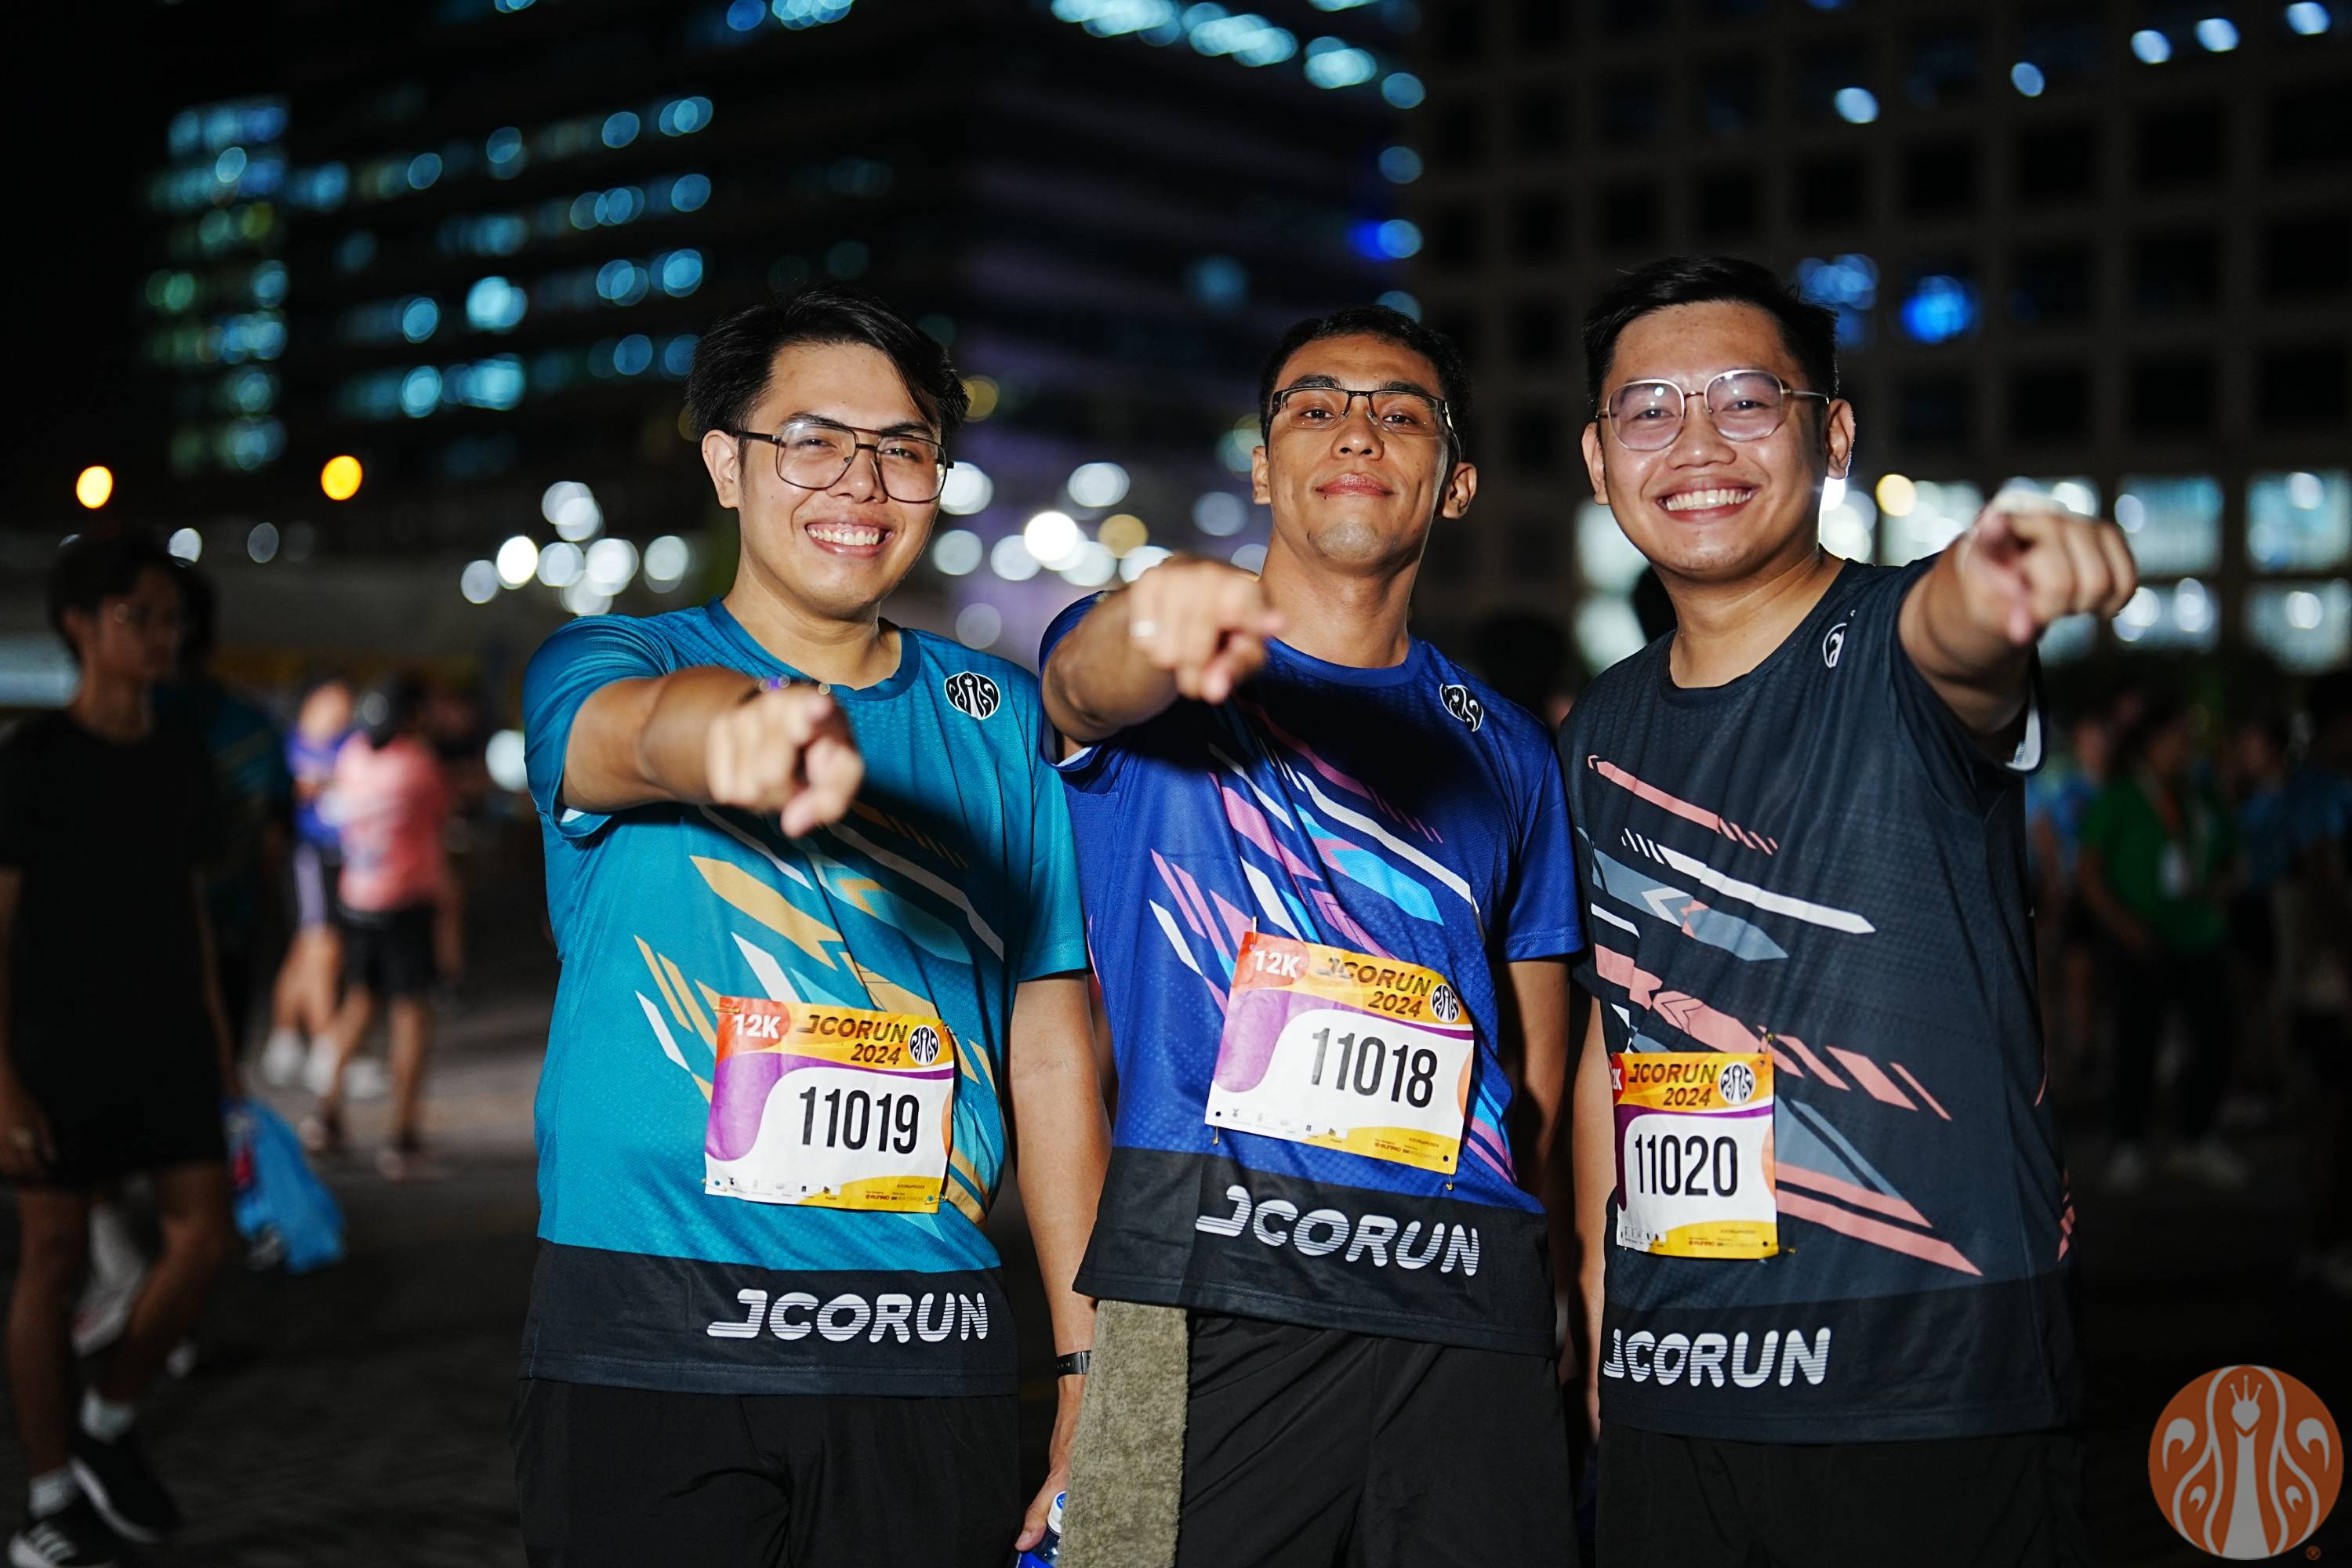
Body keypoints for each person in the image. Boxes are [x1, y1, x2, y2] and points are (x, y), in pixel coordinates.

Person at [510, 283, 1107, 1567]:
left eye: (901, 449)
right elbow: (625, 738)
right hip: (646, 1338)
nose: (862, 484)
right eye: (812, 442)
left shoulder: (1001, 717)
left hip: (923, 1351)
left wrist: (1085, 1368)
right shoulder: (611, 660)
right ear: (728, 465)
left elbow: (1055, 1052)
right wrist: (731, 732)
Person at [1559, 256, 2133, 1567]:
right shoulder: (1602, 725)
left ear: (1834, 435)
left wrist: (1996, 581)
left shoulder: (1888, 644)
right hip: (1675, 1381)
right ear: (1598, 460)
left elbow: (1958, 635)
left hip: (1926, 1374)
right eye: (1649, 411)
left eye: (1746, 402)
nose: (1696, 445)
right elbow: (1614, 1036)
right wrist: (1600, 1313)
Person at [1040, 303, 1583, 1566]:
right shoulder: (1154, 672)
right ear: (1262, 465)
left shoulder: (1508, 746)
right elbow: (1081, 682)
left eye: (1401, 413)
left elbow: (1541, 1065)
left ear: (1456, 485)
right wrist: (1152, 620)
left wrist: (1549, 1287)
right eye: (1315, 406)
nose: (1356, 431)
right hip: (1212, 1286)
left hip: (1466, 1306)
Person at [1, 535, 238, 1567]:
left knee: (206, 1238)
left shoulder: (180, 755)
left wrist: (221, 1046)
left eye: (170, 618)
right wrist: (1, 1079)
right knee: (51, 1259)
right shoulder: (32, 761)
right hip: (56, 1048)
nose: (161, 635)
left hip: (167, 1038)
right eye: (139, 616)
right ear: (81, 625)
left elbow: (190, 912)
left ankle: (108, 1419)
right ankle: (49, 1496)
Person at [2078, 691, 2246, 1193]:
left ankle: (2196, 1136)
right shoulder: (2121, 796)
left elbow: (2233, 857)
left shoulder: (2202, 794)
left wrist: (2221, 887)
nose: (2185, 748)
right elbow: (2089, 871)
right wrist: (2122, 925)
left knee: (2216, 1036)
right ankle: (2129, 1142)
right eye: (2176, 737)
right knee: (2136, 1042)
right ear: (2149, 743)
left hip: (2200, 935)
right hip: (2140, 940)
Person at [302, 673, 452, 1181]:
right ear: (410, 717)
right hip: (406, 904)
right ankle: (402, 1139)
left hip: (358, 901)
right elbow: (442, 814)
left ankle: (325, 1117)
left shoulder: (352, 757)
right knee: (411, 1017)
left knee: (358, 1005)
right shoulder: (417, 765)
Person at [261, 677, 355, 1089]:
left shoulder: (348, 742)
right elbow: (294, 793)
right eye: (331, 703)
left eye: (346, 704)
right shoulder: (294, 746)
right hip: (310, 857)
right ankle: (327, 1047)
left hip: (341, 856)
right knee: (322, 948)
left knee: (306, 951)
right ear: (311, 704)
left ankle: (283, 1039)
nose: (340, 712)